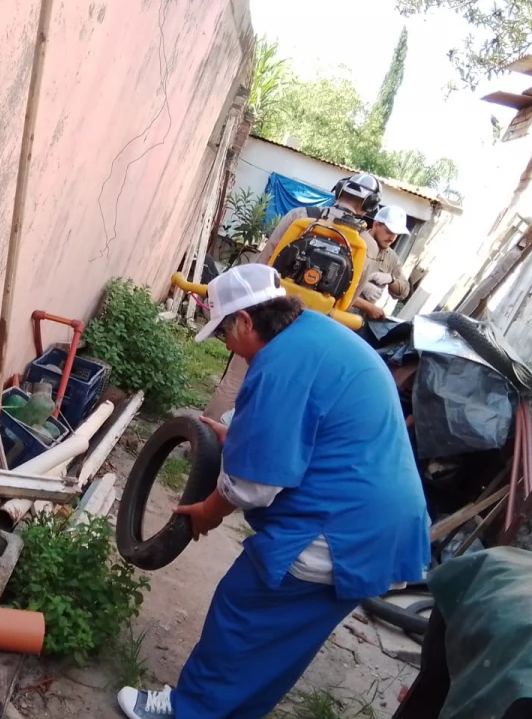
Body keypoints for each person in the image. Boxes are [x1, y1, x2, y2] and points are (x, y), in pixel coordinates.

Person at [117, 264, 430, 719]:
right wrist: (237, 443)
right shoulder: (317, 337)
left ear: (244, 321)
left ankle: (187, 710)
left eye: (223, 331)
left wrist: (208, 508)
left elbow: (254, 486)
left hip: (336, 529)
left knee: (244, 606)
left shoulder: (279, 365)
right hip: (384, 530)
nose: (225, 344)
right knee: (283, 642)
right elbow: (299, 434)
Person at [204, 173, 382, 421]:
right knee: (278, 389)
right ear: (370, 205)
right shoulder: (367, 246)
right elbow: (349, 299)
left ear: (339, 190)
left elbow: (265, 261)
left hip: (269, 309)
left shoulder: (300, 217)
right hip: (311, 327)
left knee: (235, 380)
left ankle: (204, 441)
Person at [352, 205, 411, 321]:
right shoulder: (355, 242)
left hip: (358, 322)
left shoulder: (391, 257)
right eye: (389, 232)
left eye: (397, 234)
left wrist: (391, 279)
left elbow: (404, 291)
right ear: (376, 224)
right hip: (336, 315)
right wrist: (361, 288)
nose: (392, 238)